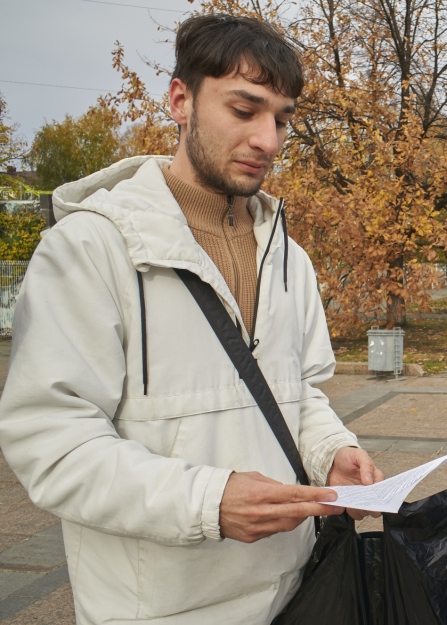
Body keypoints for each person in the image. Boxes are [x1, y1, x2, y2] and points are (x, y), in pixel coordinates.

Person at [0, 14, 382, 625]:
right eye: (244, 109)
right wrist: (208, 502)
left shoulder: (289, 256)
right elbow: (52, 442)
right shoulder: (91, 249)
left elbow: (299, 393)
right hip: (160, 611)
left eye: (282, 119)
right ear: (181, 99)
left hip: (304, 593)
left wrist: (333, 448)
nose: (269, 139)